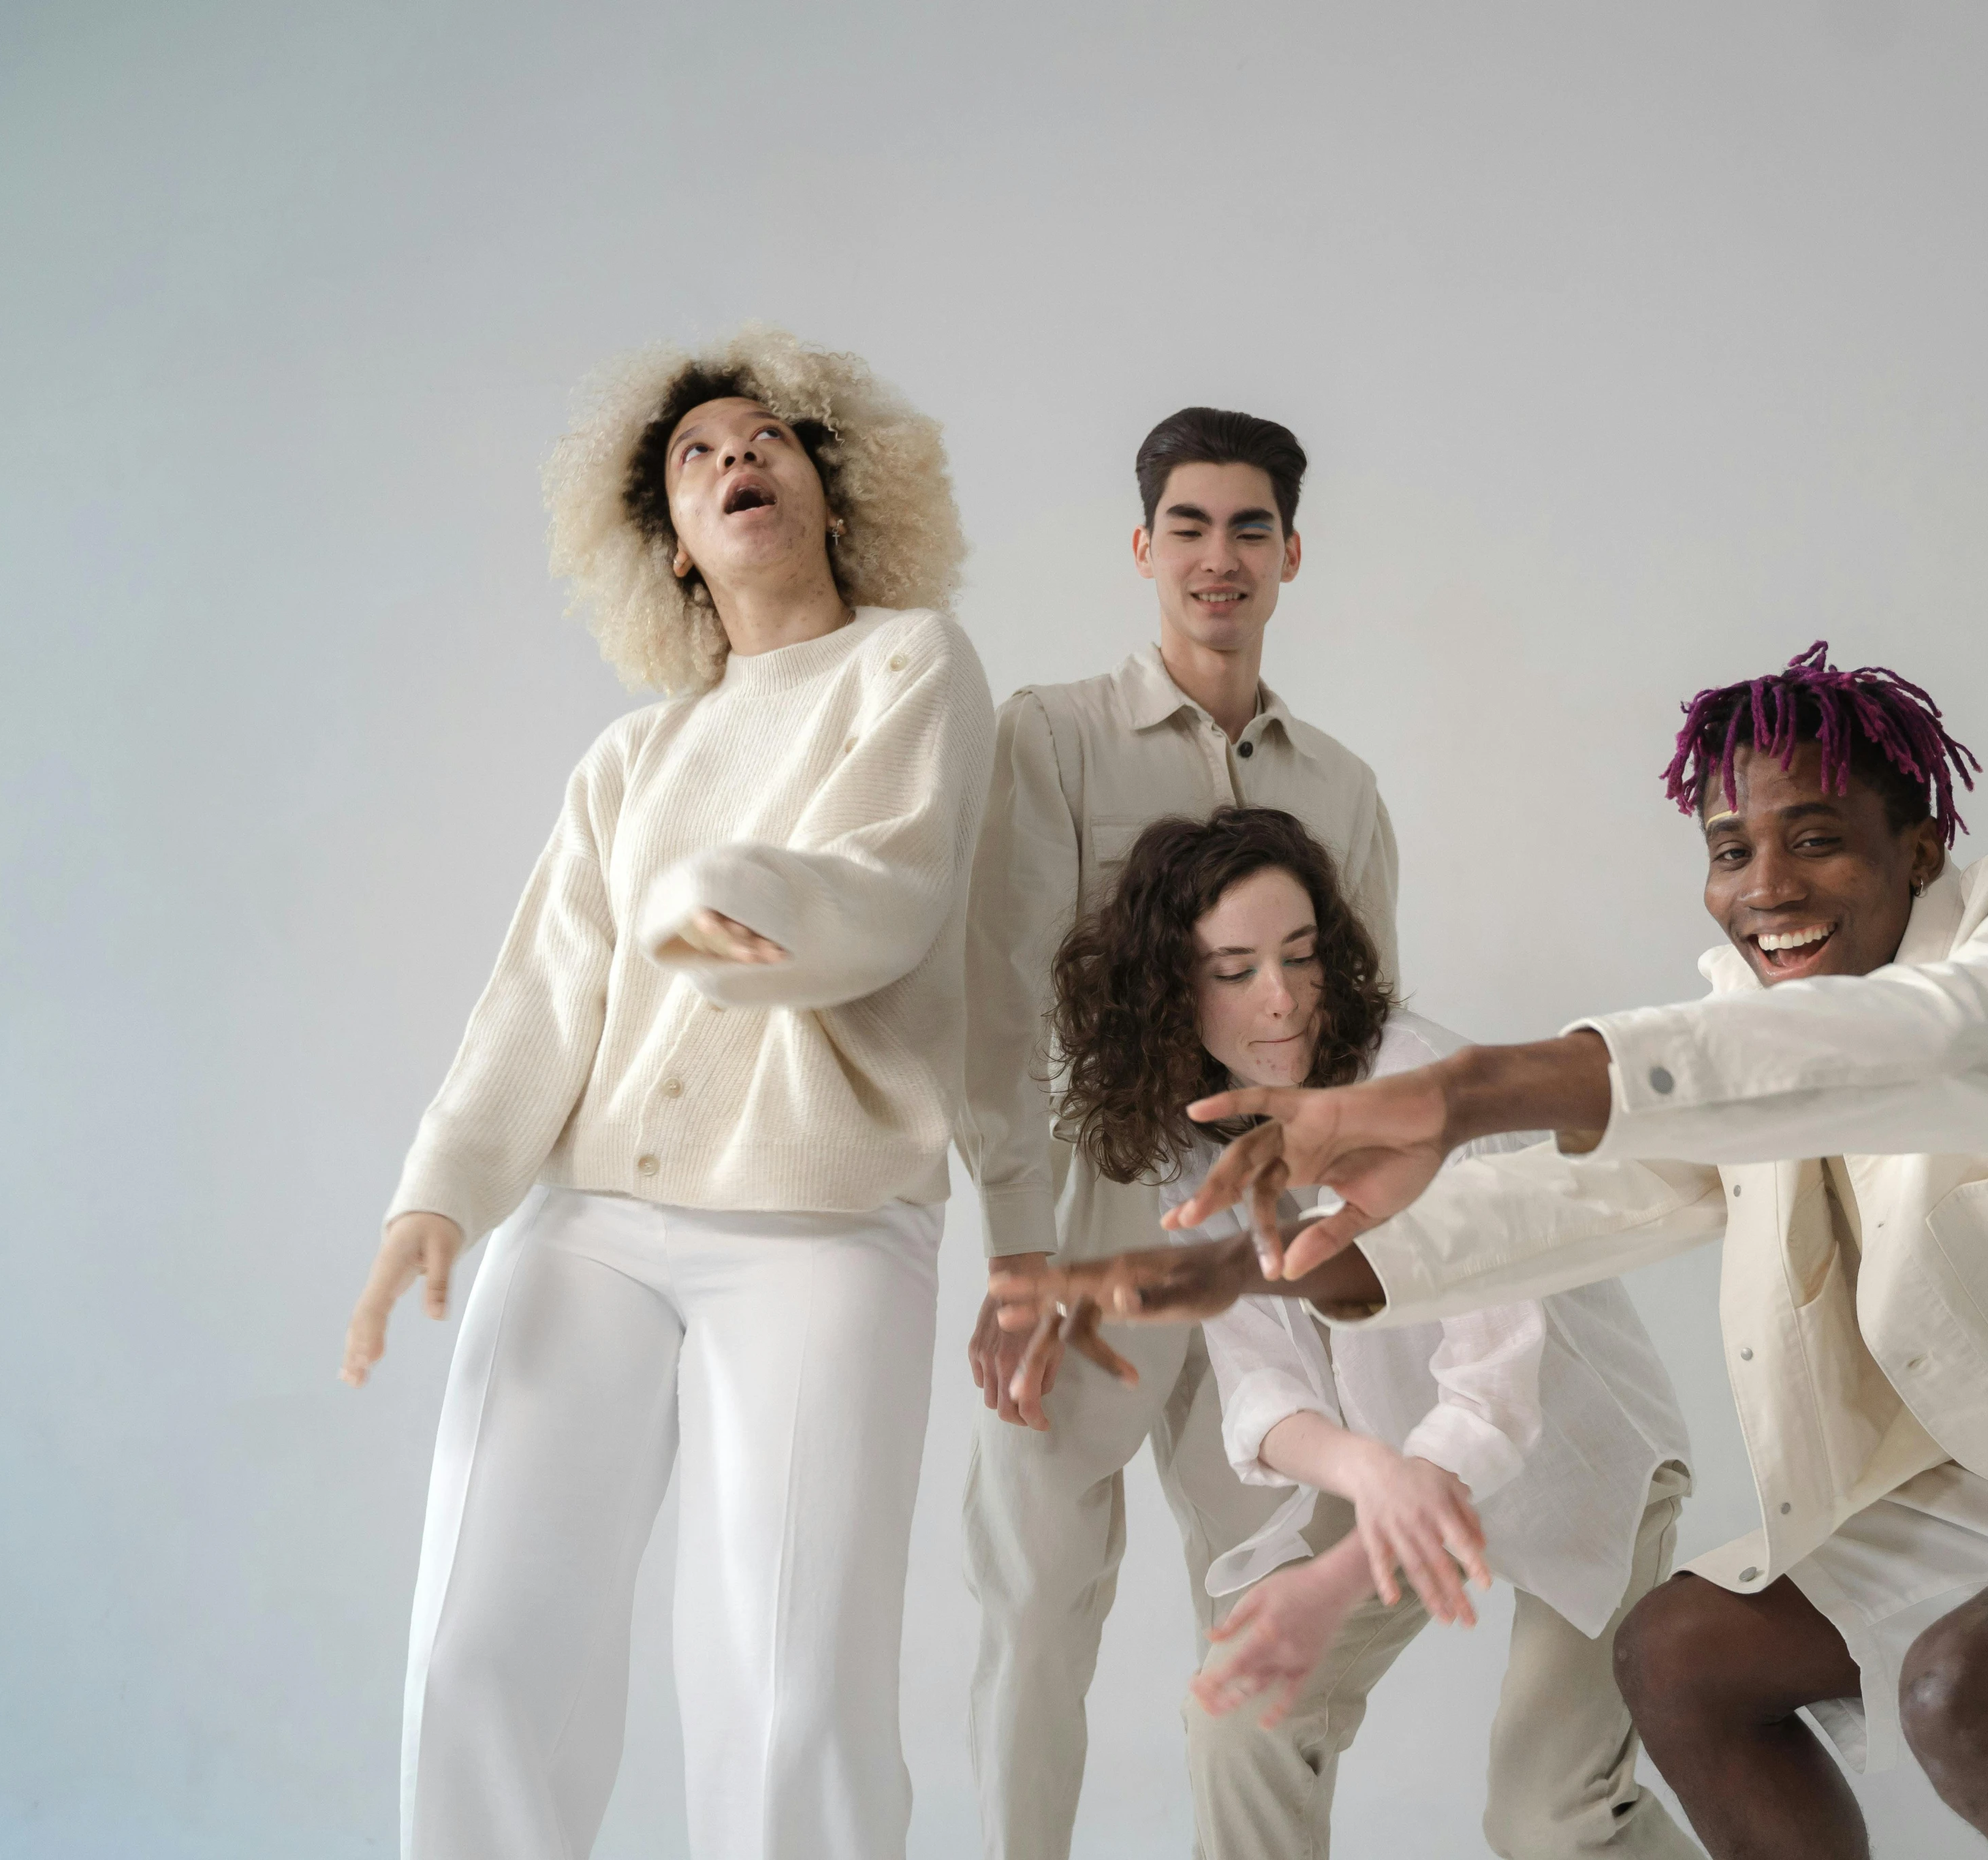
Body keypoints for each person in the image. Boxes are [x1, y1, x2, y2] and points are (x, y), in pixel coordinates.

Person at [995, 644, 1988, 1860]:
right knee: (1685, 1655)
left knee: (1969, 1698)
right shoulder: (1751, 1034)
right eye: (1729, 848)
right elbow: (1564, 1207)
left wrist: (1463, 1094)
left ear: (1922, 847)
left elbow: (1921, 1045)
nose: (1764, 883)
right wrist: (1189, 1277)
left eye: (1816, 839)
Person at [339, 326, 995, 1860]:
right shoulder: (627, 759)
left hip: (820, 1229)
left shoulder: (911, 664)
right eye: (695, 459)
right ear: (674, 553)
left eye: (763, 440)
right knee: (478, 1646)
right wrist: (436, 1197)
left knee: (786, 1683)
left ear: (835, 494)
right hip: (584, 1226)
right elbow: (543, 1000)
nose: (731, 464)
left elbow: (883, 889)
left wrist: (715, 896)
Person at [1016, 806, 1699, 1859]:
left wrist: (1373, 1518)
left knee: (1553, 1818)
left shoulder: (1409, 1085)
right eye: (1235, 969)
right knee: (1239, 1713)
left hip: (1574, 1454)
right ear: (1170, 989)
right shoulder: (1197, 1130)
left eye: (1299, 956)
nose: (1281, 997)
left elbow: (1496, 1383)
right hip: (1392, 1450)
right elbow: (1262, 1384)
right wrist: (1369, 1475)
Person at [953, 409, 1398, 1859]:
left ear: (1289, 555)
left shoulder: (1337, 789)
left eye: (1250, 529)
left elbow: (1361, 1046)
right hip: (1090, 1227)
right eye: (1189, 528)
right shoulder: (1056, 735)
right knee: (1034, 1611)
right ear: (1144, 549)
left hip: (1266, 1248)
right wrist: (1020, 1250)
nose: (1220, 559)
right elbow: (999, 1001)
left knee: (1266, 1606)